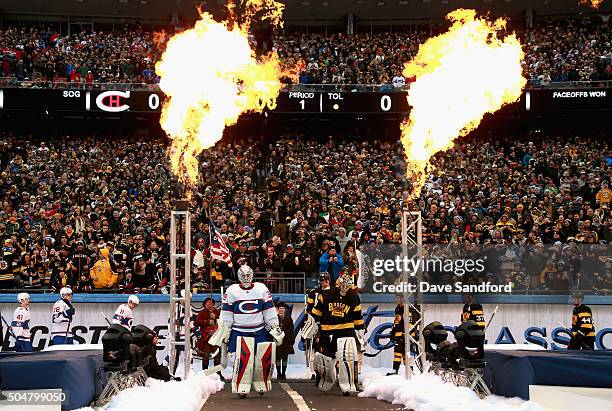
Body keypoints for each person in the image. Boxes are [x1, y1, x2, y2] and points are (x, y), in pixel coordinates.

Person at [209, 264, 284, 398]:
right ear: (239, 276)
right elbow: (226, 313)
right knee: (241, 359)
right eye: (243, 276)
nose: (246, 278)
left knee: (263, 359)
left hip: (259, 330)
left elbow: (269, 310)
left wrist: (273, 326)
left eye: (248, 275)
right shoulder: (232, 290)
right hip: (239, 330)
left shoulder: (261, 288)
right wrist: (225, 330)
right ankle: (241, 385)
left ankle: (261, 381)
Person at [310, 273, 365, 396]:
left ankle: (348, 383)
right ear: (338, 284)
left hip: (346, 330)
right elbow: (316, 312)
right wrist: (312, 325)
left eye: (347, 285)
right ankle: (324, 379)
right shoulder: (326, 294)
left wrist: (360, 329)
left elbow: (357, 315)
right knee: (323, 359)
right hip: (327, 330)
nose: (345, 288)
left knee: (347, 358)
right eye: (343, 285)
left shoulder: (354, 297)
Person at [302, 272, 331, 379]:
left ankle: (327, 371)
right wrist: (308, 321)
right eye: (322, 280)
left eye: (326, 280)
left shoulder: (333, 292)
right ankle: (312, 371)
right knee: (312, 346)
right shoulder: (313, 292)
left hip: (328, 323)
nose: (324, 282)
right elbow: (308, 309)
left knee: (327, 348)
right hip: (315, 321)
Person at [387, 294, 420, 375]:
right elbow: (397, 322)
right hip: (402, 334)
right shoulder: (399, 308)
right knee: (405, 352)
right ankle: (408, 370)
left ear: (402, 298)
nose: (396, 300)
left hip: (404, 334)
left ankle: (401, 370)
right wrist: (393, 332)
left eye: (397, 298)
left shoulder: (405, 308)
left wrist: (405, 334)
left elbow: (407, 323)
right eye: (395, 298)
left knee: (400, 352)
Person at [195, 297, 223, 381]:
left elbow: (223, 322)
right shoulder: (201, 313)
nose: (209, 304)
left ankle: (217, 374)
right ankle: (205, 373)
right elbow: (197, 322)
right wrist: (206, 322)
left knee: (217, 356)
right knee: (206, 356)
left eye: (210, 303)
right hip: (206, 338)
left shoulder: (218, 312)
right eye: (207, 303)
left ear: (213, 304)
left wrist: (216, 318)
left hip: (216, 337)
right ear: (204, 304)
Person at [275, 301, 295, 381]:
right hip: (277, 341)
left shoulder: (289, 319)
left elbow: (292, 331)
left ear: (285, 310)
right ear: (278, 309)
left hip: (286, 341)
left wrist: (291, 341)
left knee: (285, 358)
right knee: (277, 358)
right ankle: (278, 373)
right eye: (280, 308)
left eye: (283, 308)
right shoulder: (275, 319)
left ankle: (283, 373)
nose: (281, 310)